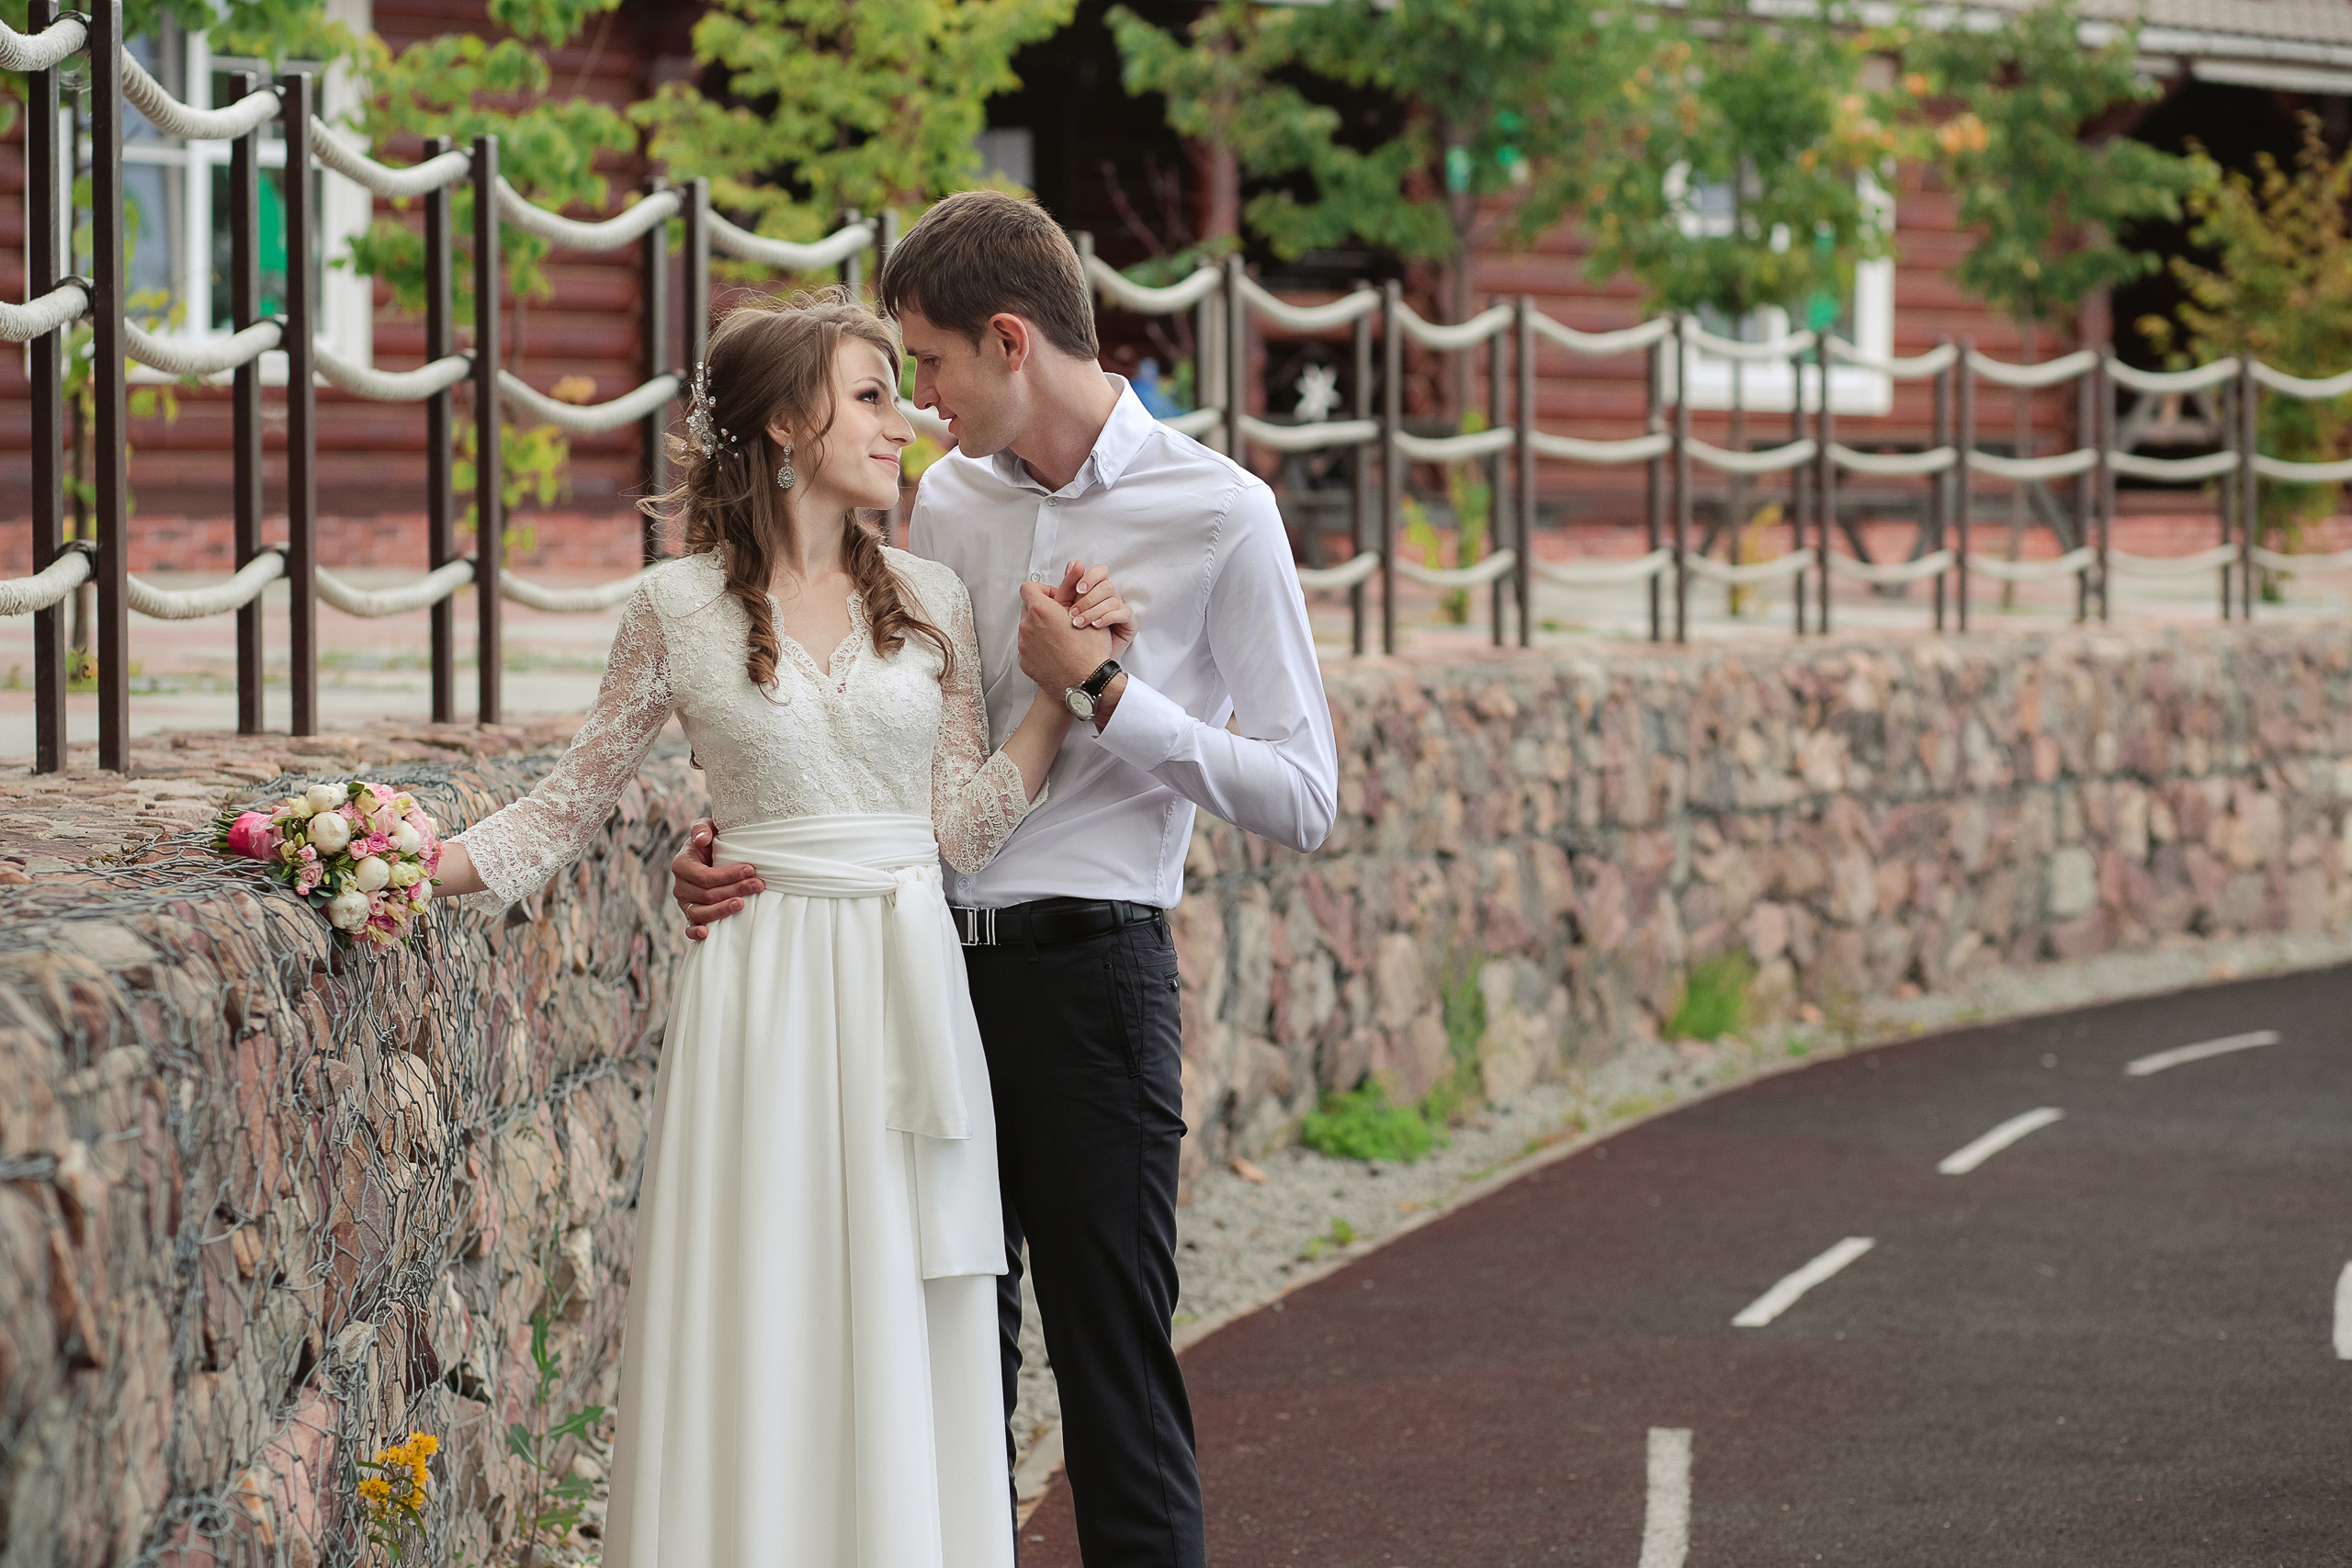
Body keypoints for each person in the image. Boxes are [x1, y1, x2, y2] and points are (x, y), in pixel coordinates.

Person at [672, 191, 1340, 1568]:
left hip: (1093, 979)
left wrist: (1104, 693)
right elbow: (890, 726)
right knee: (933, 1376)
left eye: (930, 365)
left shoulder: (1222, 513)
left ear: (1011, 341)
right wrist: (745, 835)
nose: (918, 402)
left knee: (1113, 1379)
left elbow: (1307, 795)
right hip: (909, 972)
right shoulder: (951, 498)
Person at [430, 288, 1131, 1568]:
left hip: (903, 978)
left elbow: (960, 829)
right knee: (762, 1301)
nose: (904, 416)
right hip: (758, 990)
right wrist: (391, 868)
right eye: (871, 394)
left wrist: (1058, 696)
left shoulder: (926, 596)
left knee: (907, 1306)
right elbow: (563, 805)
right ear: (783, 423)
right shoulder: (671, 608)